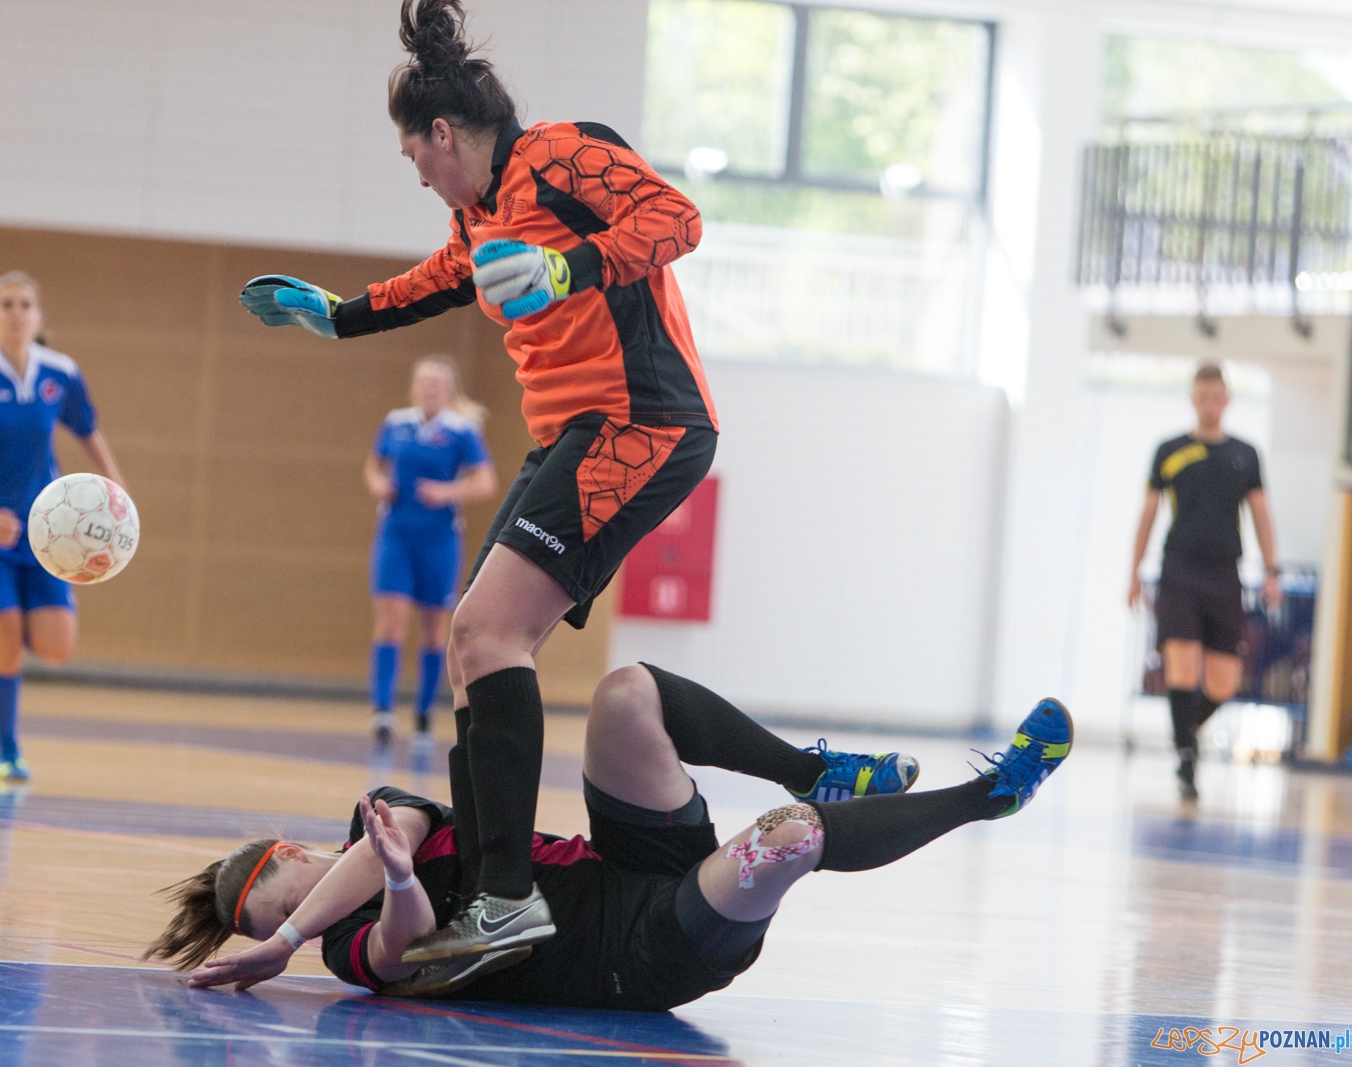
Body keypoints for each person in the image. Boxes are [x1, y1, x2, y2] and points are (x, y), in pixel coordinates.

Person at [238, 0, 736, 959]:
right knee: (480, 651)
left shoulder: (555, 154)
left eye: (413, 154)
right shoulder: (478, 217)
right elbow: (432, 282)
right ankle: (486, 879)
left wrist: (566, 267)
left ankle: (507, 892)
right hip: (570, 439)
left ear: (442, 131)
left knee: (481, 629)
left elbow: (677, 217)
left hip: (643, 419)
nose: (415, 171)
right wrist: (335, 316)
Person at [144, 666, 1071, 1009]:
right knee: (785, 841)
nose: (294, 910)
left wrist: (340, 886)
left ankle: (804, 762)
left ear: (298, 857)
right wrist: (318, 928)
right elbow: (399, 943)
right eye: (280, 914)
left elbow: (416, 821)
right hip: (642, 950)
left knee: (626, 695)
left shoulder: (376, 825)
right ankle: (988, 795)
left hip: (627, 862)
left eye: (288, 889)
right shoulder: (346, 945)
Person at [0, 271, 126, 783]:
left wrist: (116, 492)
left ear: (38, 317)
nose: (17, 313)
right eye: (7, 305)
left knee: (57, 648)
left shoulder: (59, 373)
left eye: (26, 305)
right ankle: (6, 750)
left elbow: (88, 432)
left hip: (46, 531)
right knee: (9, 638)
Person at [1128, 363, 1281, 801]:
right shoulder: (1170, 449)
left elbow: (1261, 514)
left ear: (1227, 400)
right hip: (1178, 569)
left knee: (1223, 682)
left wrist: (1273, 571)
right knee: (1182, 664)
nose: (1210, 404)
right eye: (1202, 397)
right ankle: (1187, 760)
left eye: (1217, 396)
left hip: (1224, 573)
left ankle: (1184, 732)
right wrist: (1134, 572)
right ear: (1193, 399)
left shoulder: (1245, 454)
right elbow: (1148, 513)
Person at [364, 356, 497, 743]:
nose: (430, 388)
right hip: (395, 535)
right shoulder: (396, 423)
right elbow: (373, 466)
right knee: (390, 620)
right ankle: (383, 710)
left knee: (436, 628)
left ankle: (423, 711)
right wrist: (377, 484)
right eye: (424, 381)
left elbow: (485, 482)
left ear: (449, 390)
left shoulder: (461, 431)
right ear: (413, 387)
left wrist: (448, 492)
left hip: (439, 540)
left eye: (438, 382)